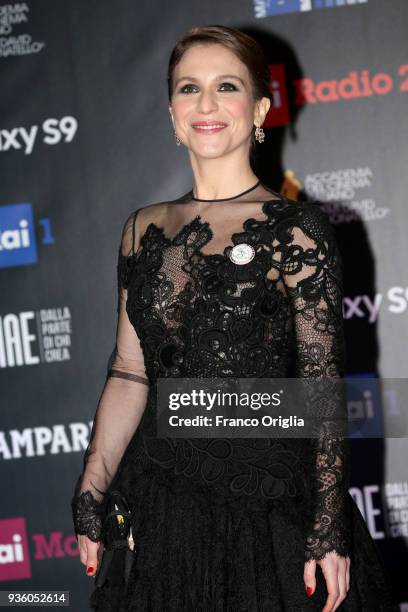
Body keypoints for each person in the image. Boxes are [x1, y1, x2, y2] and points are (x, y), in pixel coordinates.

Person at [71, 25, 399, 611]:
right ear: (172, 113)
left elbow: (321, 385)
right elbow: (128, 370)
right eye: (188, 89)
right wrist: (92, 485)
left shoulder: (295, 230)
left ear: (260, 110)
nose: (206, 104)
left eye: (226, 86)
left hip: (271, 507)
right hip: (163, 506)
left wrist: (328, 525)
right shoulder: (141, 230)